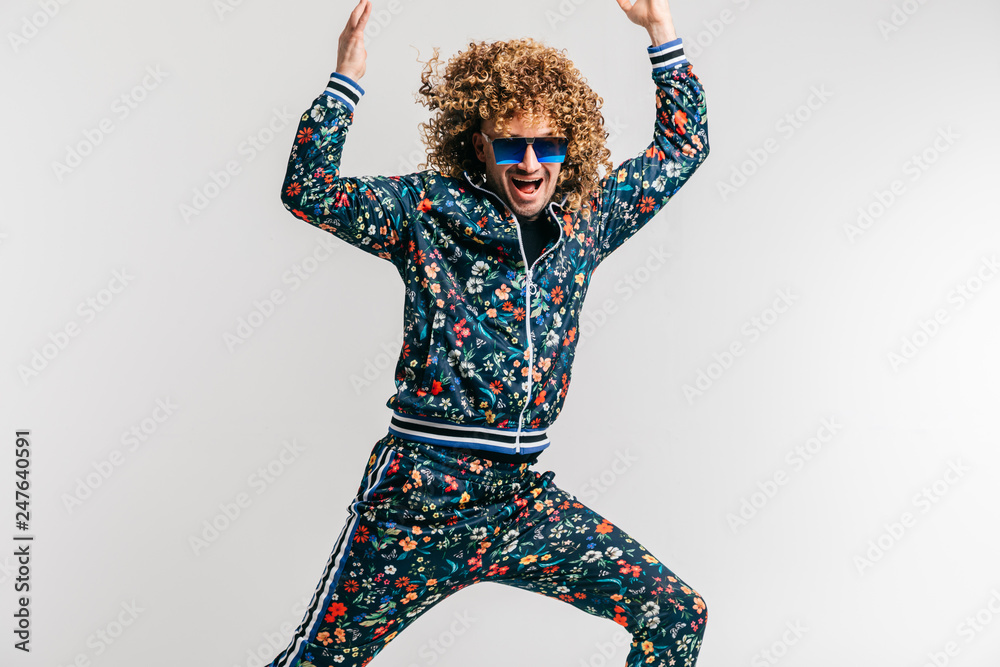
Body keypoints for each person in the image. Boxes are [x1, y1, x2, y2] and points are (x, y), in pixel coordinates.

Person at [268, 0, 710, 665]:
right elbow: (309, 191)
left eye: (547, 143)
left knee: (676, 613)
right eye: (510, 142)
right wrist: (345, 83)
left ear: (570, 145)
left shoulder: (585, 223)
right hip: (419, 499)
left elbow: (683, 148)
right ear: (479, 143)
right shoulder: (425, 211)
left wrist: (660, 32)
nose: (530, 161)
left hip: (520, 502)